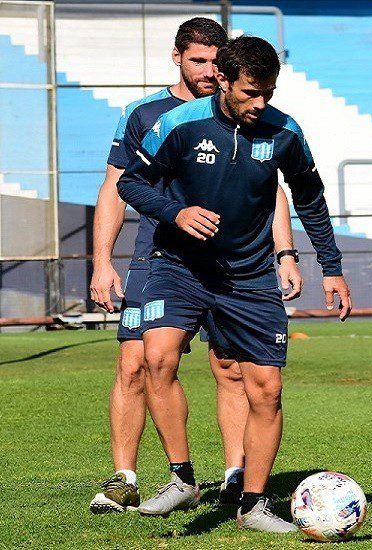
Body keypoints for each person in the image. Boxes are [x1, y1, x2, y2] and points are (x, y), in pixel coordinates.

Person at [118, 35, 352, 532]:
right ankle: (182, 478)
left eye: (268, 91)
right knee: (157, 356)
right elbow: (129, 183)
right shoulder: (178, 125)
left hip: (248, 276)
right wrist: (175, 211)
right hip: (179, 265)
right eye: (251, 92)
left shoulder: (285, 132)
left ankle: (253, 504)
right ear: (223, 79)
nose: (260, 103)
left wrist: (330, 266)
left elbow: (310, 198)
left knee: (266, 388)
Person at [88, 18, 304, 515]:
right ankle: (127, 479)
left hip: (235, 263)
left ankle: (236, 478)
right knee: (138, 361)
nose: (208, 71)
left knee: (231, 367)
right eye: (197, 60)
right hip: (160, 255)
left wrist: (285, 252)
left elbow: (272, 190)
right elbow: (116, 187)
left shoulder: (250, 116)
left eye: (215, 61)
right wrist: (103, 261)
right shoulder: (146, 114)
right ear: (177, 57)